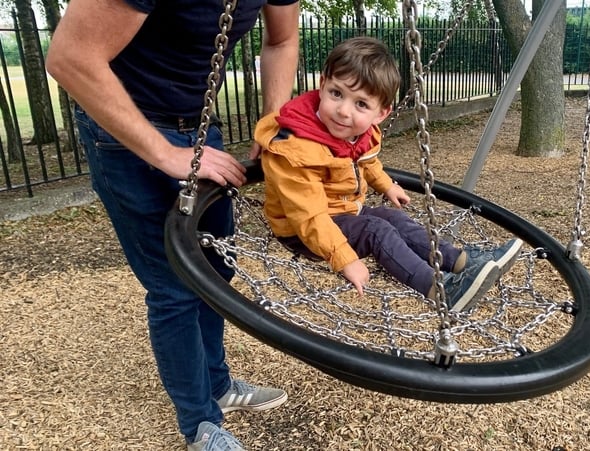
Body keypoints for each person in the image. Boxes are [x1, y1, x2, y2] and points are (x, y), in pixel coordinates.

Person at [45, 0, 300, 449]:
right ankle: (200, 423)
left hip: (199, 128)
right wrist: (165, 155)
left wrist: (272, 124)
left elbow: (281, 39)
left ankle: (218, 385)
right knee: (174, 288)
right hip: (126, 136)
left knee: (216, 272)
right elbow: (70, 57)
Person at [255, 37, 523, 312]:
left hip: (343, 211)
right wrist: (345, 259)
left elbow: (366, 159)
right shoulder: (295, 148)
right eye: (336, 93)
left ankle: (461, 261)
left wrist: (386, 185)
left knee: (393, 217)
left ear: (380, 113)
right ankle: (439, 289)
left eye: (361, 104)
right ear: (322, 85)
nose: (344, 111)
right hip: (303, 231)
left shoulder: (357, 132)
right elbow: (307, 215)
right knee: (377, 230)